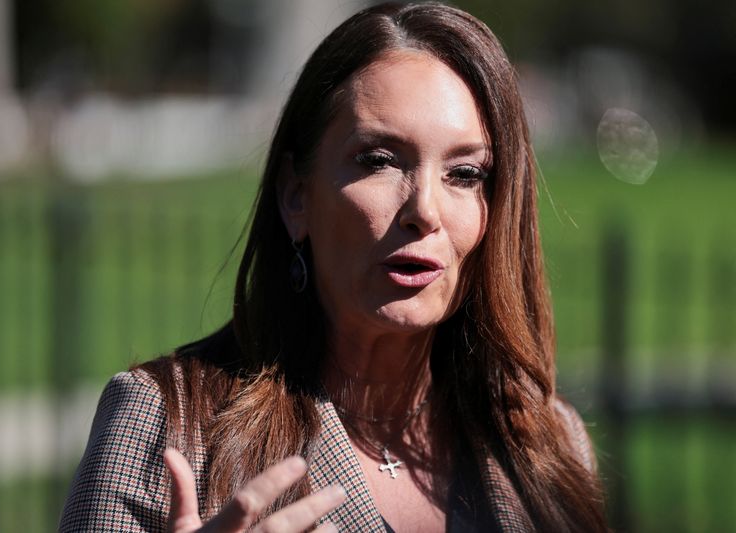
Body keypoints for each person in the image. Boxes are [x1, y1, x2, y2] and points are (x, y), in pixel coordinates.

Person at [59, 3, 607, 532]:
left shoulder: (549, 444)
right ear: (297, 197)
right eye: (378, 160)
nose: (425, 210)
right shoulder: (164, 423)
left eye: (464, 173)